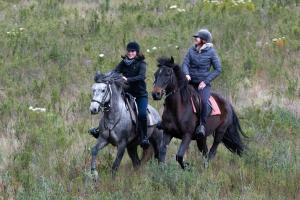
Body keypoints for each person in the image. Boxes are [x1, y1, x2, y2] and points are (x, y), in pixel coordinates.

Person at [89, 41, 150, 148]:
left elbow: (141, 77)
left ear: (137, 52)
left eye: (133, 51)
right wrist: (104, 77)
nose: (130, 53)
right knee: (110, 107)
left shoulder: (142, 64)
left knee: (142, 114)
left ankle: (144, 137)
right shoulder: (124, 62)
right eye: (129, 51)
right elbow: (115, 71)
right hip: (126, 93)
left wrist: (128, 79)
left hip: (140, 95)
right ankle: (99, 129)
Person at [182, 29, 222, 137]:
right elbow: (185, 63)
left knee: (204, 102)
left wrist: (205, 81)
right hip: (190, 82)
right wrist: (186, 74)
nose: (195, 39)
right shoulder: (191, 50)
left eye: (197, 37)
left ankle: (201, 125)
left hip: (202, 85)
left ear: (203, 41)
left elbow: (218, 69)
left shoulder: (211, 52)